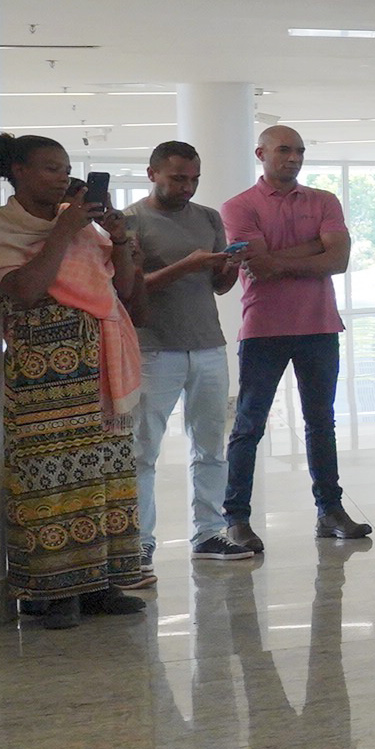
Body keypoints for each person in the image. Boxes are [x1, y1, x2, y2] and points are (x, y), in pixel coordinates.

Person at [0, 133, 149, 629]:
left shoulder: (85, 229)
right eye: (51, 168)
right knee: (48, 479)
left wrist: (119, 240)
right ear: (19, 171)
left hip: (100, 372)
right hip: (43, 376)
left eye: (66, 169)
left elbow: (126, 292)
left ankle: (100, 583)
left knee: (106, 475)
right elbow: (24, 292)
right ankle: (54, 593)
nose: (62, 178)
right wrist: (64, 231)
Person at [220, 125, 368, 545]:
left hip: (319, 326)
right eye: (284, 150)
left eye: (300, 151)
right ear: (261, 154)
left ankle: (330, 511)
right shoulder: (239, 206)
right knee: (249, 424)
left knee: (321, 422)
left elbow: (338, 260)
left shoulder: (324, 200)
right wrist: (313, 248)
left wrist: (278, 258)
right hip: (263, 329)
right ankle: (236, 518)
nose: (294, 158)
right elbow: (258, 266)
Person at [125, 140, 242, 562]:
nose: (187, 187)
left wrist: (228, 268)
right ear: (152, 173)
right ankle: (139, 539)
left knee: (210, 447)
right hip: (154, 348)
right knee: (143, 449)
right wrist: (185, 266)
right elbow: (129, 288)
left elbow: (218, 286)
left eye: (194, 179)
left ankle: (209, 532)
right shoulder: (130, 221)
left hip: (208, 343)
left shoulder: (209, 217)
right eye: (178, 178)